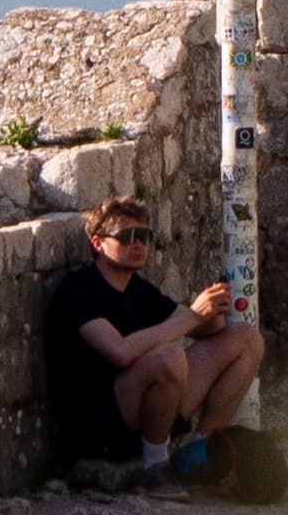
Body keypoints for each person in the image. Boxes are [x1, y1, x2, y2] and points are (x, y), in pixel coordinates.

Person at [38, 194, 264, 483]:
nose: (138, 244)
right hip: (100, 422)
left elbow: (201, 328)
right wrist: (193, 316)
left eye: (144, 236)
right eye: (127, 236)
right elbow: (120, 352)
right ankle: (156, 468)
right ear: (97, 243)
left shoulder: (138, 289)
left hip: (145, 409)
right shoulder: (78, 290)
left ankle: (198, 450)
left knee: (246, 339)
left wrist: (213, 309)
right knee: (169, 357)